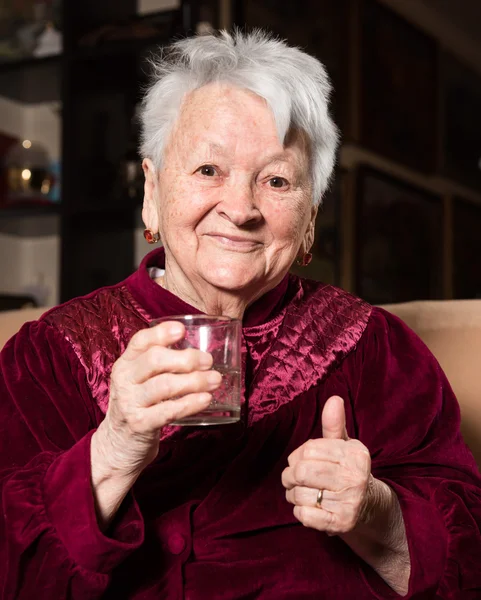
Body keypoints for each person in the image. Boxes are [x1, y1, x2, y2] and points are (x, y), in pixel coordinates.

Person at [1, 30, 480, 600]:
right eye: (208, 169)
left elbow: (468, 564)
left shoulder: (376, 349)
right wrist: (112, 450)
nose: (241, 208)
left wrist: (377, 516)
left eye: (276, 180)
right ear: (153, 191)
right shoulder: (49, 354)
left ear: (309, 220)